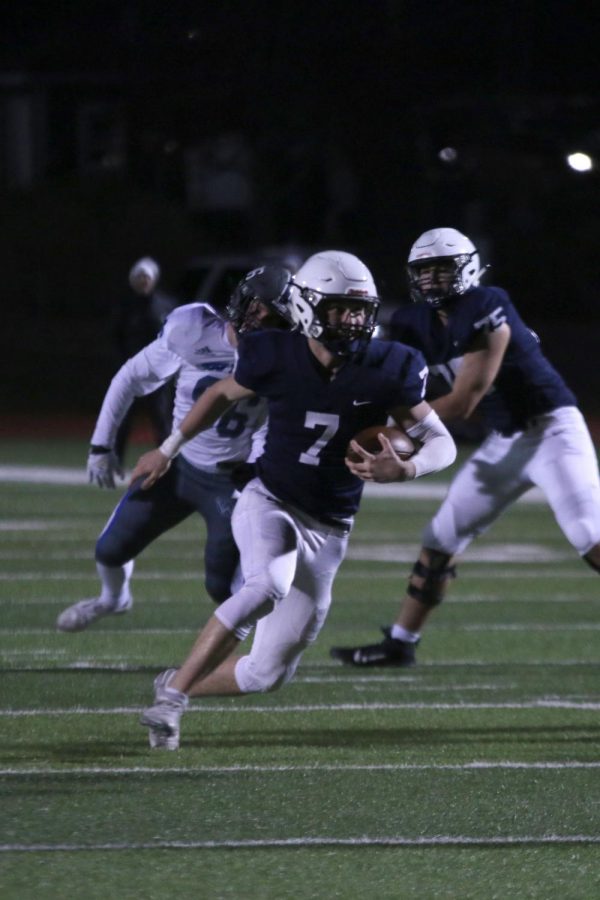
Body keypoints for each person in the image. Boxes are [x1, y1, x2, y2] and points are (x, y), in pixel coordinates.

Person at [131, 249, 457, 750]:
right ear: (307, 307)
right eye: (338, 308)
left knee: (266, 674)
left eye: (358, 309)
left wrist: (407, 467)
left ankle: (173, 682)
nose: (351, 320)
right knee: (267, 584)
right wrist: (168, 448)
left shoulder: (388, 366)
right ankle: (171, 702)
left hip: (331, 527)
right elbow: (219, 394)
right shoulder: (274, 352)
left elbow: (443, 443)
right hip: (270, 498)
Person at [329, 227, 600, 668]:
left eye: (443, 269)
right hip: (505, 440)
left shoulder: (487, 303)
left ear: (469, 268)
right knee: (439, 541)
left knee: (589, 535)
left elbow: (462, 401)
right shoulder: (412, 322)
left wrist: (396, 431)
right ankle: (400, 642)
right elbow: (387, 377)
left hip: (552, 430)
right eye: (425, 271)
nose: (433, 280)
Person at [56, 266, 295, 647]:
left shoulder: (284, 358)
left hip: (229, 481)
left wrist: (257, 476)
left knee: (222, 585)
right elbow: (130, 378)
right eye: (257, 307)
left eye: (274, 316)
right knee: (110, 549)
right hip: (178, 467)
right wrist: (102, 445)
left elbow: (277, 424)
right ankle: (113, 599)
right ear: (240, 299)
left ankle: (265, 650)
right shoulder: (194, 328)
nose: (260, 318)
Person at [113, 257, 178, 463]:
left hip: (158, 373)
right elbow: (116, 337)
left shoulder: (165, 304)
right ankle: (114, 462)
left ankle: (166, 464)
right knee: (123, 420)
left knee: (161, 420)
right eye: (139, 277)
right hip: (132, 372)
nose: (143, 281)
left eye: (146, 277)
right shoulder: (125, 307)